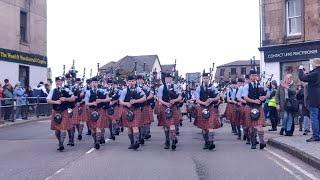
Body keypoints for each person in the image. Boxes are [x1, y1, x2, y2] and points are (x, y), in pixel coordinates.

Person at [194, 72, 221, 150]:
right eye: (204, 78)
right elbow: (197, 100)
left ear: (209, 79)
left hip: (211, 108)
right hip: (202, 108)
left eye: (207, 78)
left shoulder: (212, 87)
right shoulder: (199, 88)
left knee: (211, 125)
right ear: (202, 79)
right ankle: (206, 142)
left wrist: (212, 99)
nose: (206, 80)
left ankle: (211, 142)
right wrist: (204, 103)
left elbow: (218, 97)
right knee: (204, 128)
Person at [47, 76, 74, 152]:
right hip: (55, 111)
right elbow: (48, 100)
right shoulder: (53, 90)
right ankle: (59, 142)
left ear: (62, 82)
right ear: (56, 82)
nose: (58, 82)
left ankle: (61, 144)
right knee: (57, 130)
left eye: (60, 81)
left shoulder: (66, 90)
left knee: (63, 128)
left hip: (64, 111)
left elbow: (73, 98)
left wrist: (65, 99)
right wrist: (55, 102)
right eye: (57, 81)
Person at [119, 75, 146, 150]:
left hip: (136, 109)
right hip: (127, 110)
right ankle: (132, 142)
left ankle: (136, 142)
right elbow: (120, 101)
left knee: (135, 126)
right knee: (129, 128)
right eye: (129, 81)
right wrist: (126, 103)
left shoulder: (139, 89)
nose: (131, 83)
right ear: (127, 82)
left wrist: (136, 101)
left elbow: (144, 98)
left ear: (135, 81)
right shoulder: (124, 91)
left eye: (133, 81)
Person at [243, 69, 267, 150]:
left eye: (255, 76)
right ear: (249, 77)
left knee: (259, 125)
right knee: (251, 126)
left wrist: (263, 98)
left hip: (259, 107)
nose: (254, 77)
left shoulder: (260, 85)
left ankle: (262, 142)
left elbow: (266, 95)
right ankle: (253, 142)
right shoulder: (246, 86)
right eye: (252, 76)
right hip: (250, 107)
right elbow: (245, 97)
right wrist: (254, 101)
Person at [157, 73, 182, 150]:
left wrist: (174, 100)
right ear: (165, 79)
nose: (168, 79)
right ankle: (167, 140)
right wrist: (166, 103)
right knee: (166, 126)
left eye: (170, 78)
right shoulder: (161, 87)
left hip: (173, 106)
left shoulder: (175, 86)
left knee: (172, 124)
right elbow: (159, 98)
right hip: (164, 107)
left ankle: (173, 140)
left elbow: (180, 97)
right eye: (167, 78)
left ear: (172, 79)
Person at [298, 58, 320, 142]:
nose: (311, 65)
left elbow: (302, 77)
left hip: (314, 98)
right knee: (318, 117)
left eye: (312, 64)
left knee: (314, 117)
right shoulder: (316, 73)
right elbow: (309, 76)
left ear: (315, 64)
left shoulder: (315, 73)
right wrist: (306, 72)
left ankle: (316, 135)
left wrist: (300, 69)